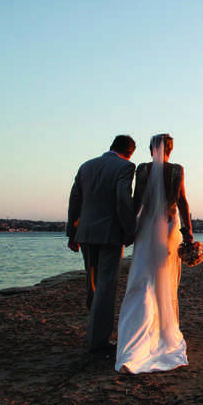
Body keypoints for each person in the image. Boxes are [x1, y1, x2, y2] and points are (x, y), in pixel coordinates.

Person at [115, 134, 193, 373]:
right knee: (164, 281)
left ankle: (135, 341)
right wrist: (188, 233)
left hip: (148, 227)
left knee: (143, 279)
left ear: (152, 150)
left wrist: (130, 230)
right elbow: (183, 203)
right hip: (170, 228)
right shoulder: (177, 171)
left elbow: (137, 201)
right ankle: (162, 332)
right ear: (170, 149)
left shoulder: (143, 170)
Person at [67, 135, 137, 353]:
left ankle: (93, 331)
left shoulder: (86, 166)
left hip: (86, 232)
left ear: (111, 146)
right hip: (110, 232)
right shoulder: (125, 167)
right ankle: (98, 342)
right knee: (106, 286)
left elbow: (74, 200)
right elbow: (123, 199)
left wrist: (72, 232)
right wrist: (130, 229)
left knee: (93, 283)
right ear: (130, 152)